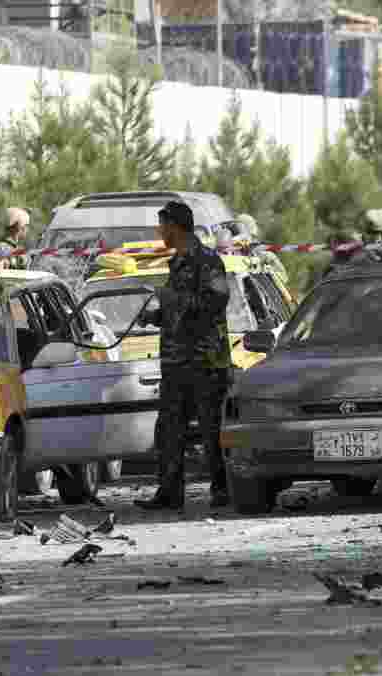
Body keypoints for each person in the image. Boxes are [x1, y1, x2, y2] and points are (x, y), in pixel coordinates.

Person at [134, 200, 233, 510]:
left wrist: (173, 300)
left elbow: (216, 300)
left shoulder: (207, 260)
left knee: (211, 429)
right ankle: (170, 492)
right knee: (169, 429)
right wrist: (156, 316)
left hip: (205, 361)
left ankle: (223, 490)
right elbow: (178, 311)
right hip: (177, 362)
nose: (158, 231)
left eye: (161, 225)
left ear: (174, 226)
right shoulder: (176, 262)